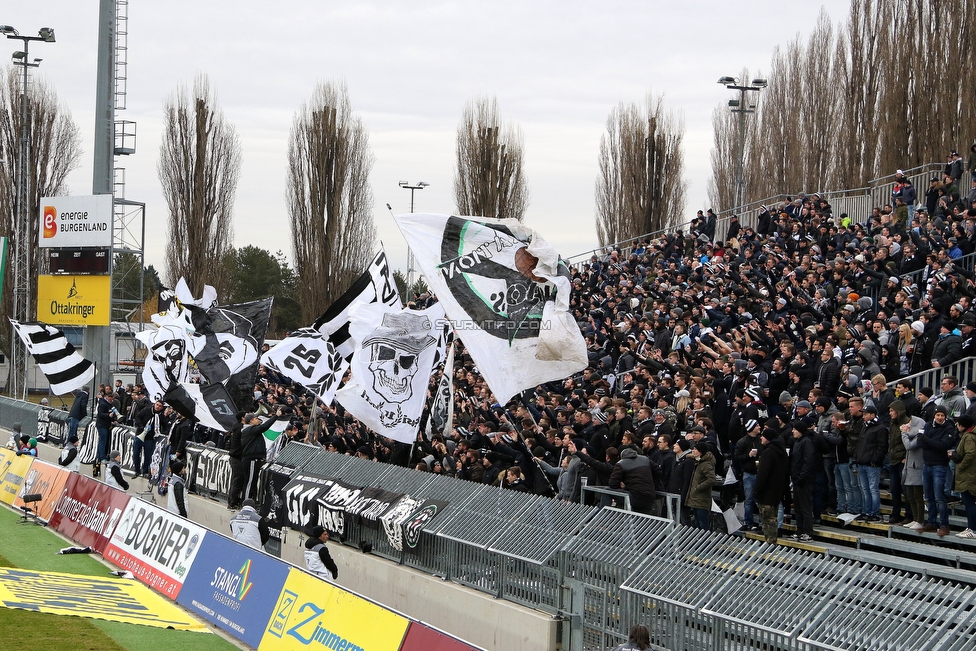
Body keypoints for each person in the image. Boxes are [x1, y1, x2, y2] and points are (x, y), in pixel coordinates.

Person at [918, 406, 956, 536]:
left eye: (942, 415)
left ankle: (944, 525)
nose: (940, 418)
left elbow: (943, 446)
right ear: (934, 415)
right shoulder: (928, 425)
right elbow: (920, 442)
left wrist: (928, 440)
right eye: (938, 415)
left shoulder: (949, 428)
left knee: (939, 497)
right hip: (927, 465)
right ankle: (932, 523)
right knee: (929, 497)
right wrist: (931, 442)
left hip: (940, 465)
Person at [754, 428, 788, 544]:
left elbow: (763, 474)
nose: (761, 438)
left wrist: (757, 490)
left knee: (767, 520)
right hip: (777, 491)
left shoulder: (768, 453)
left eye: (763, 436)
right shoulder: (782, 452)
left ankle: (770, 544)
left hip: (766, 492)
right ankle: (771, 542)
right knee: (773, 517)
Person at [607, 447, 657, 515]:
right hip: (650, 496)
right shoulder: (645, 459)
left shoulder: (621, 464)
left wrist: (623, 486)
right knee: (643, 520)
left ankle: (603, 518)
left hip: (634, 496)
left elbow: (612, 484)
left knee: (606, 490)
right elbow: (658, 471)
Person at [790, 422, 818, 542]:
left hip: (804, 480)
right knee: (798, 507)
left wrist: (802, 477)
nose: (793, 431)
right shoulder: (797, 442)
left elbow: (809, 461)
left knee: (805, 507)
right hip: (797, 479)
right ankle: (799, 530)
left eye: (795, 429)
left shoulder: (807, 442)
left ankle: (808, 532)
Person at [952, 415, 976, 538]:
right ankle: (971, 527)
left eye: (958, 424)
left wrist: (960, 466)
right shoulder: (968, 435)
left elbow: (970, 454)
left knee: (969, 502)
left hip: (968, 476)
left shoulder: (969, 437)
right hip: (970, 474)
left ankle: (973, 529)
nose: (957, 426)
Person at [686, 442, 715, 530]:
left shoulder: (705, 464)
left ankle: (705, 542)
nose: (693, 451)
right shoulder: (698, 462)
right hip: (696, 498)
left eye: (695, 449)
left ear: (701, 452)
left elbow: (711, 479)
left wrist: (698, 488)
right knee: (697, 523)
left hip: (701, 499)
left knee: (703, 524)